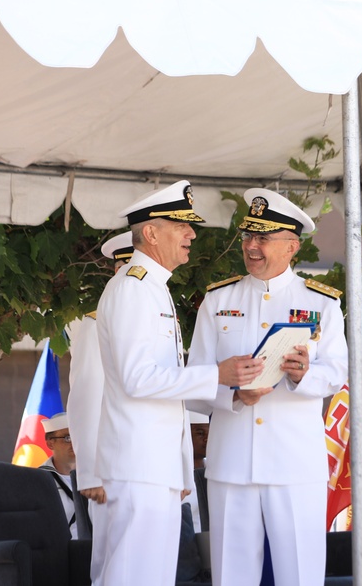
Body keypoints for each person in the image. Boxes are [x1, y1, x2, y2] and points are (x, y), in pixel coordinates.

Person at [95, 179, 263, 586]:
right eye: (181, 225)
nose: (191, 234)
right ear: (150, 233)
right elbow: (139, 379)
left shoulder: (154, 288)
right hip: (139, 464)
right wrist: (217, 375)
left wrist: (229, 389)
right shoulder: (132, 289)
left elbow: (165, 386)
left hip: (157, 465)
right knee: (130, 576)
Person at [189, 188, 348, 586]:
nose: (252, 246)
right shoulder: (217, 300)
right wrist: (234, 395)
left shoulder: (322, 303)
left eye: (263, 238)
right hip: (231, 461)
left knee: (301, 574)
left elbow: (337, 374)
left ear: (292, 246)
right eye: (247, 236)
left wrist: (302, 375)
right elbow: (193, 380)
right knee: (231, 576)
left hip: (294, 463)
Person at [65, 230, 133, 583]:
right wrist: (90, 472)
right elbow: (86, 397)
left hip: (153, 470)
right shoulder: (95, 323)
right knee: (114, 567)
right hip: (113, 470)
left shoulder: (163, 320)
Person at [39, 412, 79, 539]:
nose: (74, 443)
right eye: (67, 438)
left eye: (77, 437)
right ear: (50, 443)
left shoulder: (97, 476)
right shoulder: (37, 479)